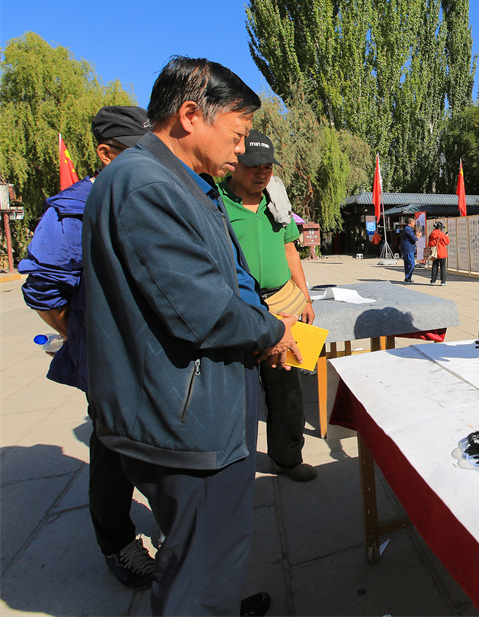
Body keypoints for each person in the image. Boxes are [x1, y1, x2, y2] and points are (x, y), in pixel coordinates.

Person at [82, 56, 301, 616]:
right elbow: (203, 309)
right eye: (237, 134)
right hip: (184, 423)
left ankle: (217, 600)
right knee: (197, 568)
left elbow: (231, 274)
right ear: (188, 115)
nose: (241, 150)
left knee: (211, 552)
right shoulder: (144, 184)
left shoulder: (186, 182)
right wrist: (272, 330)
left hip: (198, 409)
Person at [20, 106, 156, 589]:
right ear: (106, 153)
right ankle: (117, 544)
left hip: (160, 361)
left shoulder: (154, 196)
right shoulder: (74, 210)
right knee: (112, 450)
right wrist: (85, 335)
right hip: (109, 365)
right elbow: (43, 291)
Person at [219, 129, 317, 482]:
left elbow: (292, 250)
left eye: (267, 167)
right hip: (239, 307)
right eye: (252, 166)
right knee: (237, 390)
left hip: (284, 305)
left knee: (288, 389)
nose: (261, 173)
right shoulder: (216, 200)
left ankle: (287, 459)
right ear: (234, 165)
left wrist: (305, 296)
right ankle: (232, 466)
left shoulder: (277, 202)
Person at [427, 221, 450, 285]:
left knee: (434, 266)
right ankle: (443, 281)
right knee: (442, 267)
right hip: (442, 252)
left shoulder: (431, 234)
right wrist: (446, 236)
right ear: (440, 228)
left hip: (434, 252)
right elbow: (447, 242)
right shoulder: (442, 234)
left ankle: (433, 281)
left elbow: (429, 243)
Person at [399, 216, 421, 282]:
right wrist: (418, 236)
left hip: (406, 249)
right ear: (411, 223)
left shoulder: (406, 229)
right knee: (411, 263)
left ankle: (407, 277)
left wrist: (416, 235)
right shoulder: (408, 229)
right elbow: (414, 239)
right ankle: (408, 277)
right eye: (414, 223)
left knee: (407, 264)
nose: (414, 225)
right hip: (408, 249)